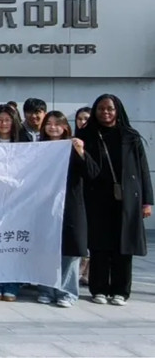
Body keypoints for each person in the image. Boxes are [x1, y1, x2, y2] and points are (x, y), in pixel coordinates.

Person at [76, 94, 153, 306]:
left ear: (117, 110)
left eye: (110, 108)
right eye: (101, 109)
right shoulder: (86, 135)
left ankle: (121, 291)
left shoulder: (131, 136)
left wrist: (147, 201)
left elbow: (143, 169)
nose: (105, 112)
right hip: (97, 198)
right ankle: (98, 289)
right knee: (99, 245)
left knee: (123, 246)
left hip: (127, 199)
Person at [36, 111, 88, 308]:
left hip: (71, 206)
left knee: (71, 250)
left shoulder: (74, 147)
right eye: (48, 123)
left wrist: (81, 151)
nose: (53, 127)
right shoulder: (39, 148)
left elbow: (91, 173)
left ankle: (67, 292)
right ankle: (46, 289)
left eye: (58, 123)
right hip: (44, 205)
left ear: (66, 126)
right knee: (45, 248)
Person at [0, 104, 29, 302]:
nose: (3, 124)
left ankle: (12, 283)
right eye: (0, 120)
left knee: (14, 242)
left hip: (17, 200)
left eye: (7, 120)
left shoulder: (25, 142)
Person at [74, 106, 93, 285]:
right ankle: (80, 269)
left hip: (94, 194)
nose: (82, 122)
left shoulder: (97, 139)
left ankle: (88, 272)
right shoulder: (71, 141)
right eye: (79, 118)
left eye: (86, 118)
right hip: (76, 194)